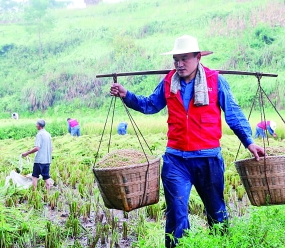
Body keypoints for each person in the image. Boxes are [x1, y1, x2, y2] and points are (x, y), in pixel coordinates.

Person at [110, 35, 265, 247]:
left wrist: (249, 142)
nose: (179, 64)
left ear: (198, 57)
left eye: (185, 59)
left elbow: (234, 114)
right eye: (176, 59)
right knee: (176, 214)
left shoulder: (215, 81)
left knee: (216, 212)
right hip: (176, 160)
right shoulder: (168, 82)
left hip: (208, 158)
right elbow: (149, 106)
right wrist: (126, 94)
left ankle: (220, 244)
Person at [22, 119, 53, 192]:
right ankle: (48, 193)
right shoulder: (48, 134)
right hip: (47, 160)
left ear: (39, 126)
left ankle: (34, 192)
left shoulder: (39, 134)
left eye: (36, 124)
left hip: (39, 160)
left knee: (34, 176)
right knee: (46, 177)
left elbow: (37, 148)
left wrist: (27, 153)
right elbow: (51, 148)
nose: (36, 125)